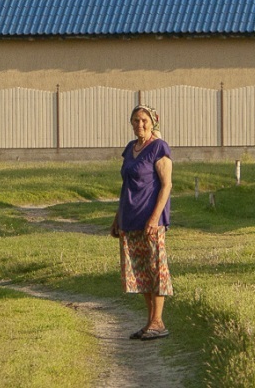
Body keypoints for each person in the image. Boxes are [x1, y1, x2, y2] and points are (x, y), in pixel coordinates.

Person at [111, 104, 173, 340]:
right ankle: (149, 323)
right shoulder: (130, 149)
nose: (140, 124)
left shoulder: (159, 148)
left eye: (144, 120)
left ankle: (158, 322)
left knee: (156, 270)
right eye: (136, 120)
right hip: (130, 219)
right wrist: (118, 217)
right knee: (140, 272)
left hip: (150, 220)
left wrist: (154, 218)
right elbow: (125, 185)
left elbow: (166, 185)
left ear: (152, 122)